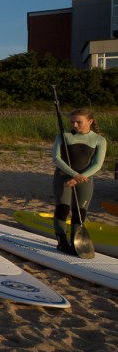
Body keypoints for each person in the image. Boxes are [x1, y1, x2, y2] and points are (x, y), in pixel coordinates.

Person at [51, 108, 108, 253]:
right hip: (63, 177)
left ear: (90, 121)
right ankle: (62, 241)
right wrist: (74, 175)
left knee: (79, 212)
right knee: (63, 209)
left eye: (79, 122)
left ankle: (75, 242)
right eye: (72, 122)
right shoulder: (63, 135)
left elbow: (97, 164)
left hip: (84, 180)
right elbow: (56, 159)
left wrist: (78, 178)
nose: (74, 125)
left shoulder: (99, 140)